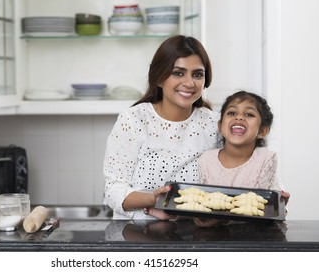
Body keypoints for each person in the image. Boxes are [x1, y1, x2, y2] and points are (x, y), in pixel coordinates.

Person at [103, 35, 222, 220]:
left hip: (194, 237)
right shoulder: (133, 120)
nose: (190, 83)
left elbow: (242, 167)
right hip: (136, 236)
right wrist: (153, 199)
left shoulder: (215, 124)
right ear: (159, 78)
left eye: (197, 74)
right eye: (178, 73)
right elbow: (113, 191)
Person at [195, 90, 290, 227]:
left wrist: (222, 219)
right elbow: (206, 201)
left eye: (249, 114)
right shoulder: (207, 159)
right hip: (216, 235)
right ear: (220, 126)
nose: (239, 118)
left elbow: (262, 208)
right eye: (232, 113)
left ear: (263, 130)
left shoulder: (266, 158)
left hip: (257, 234)